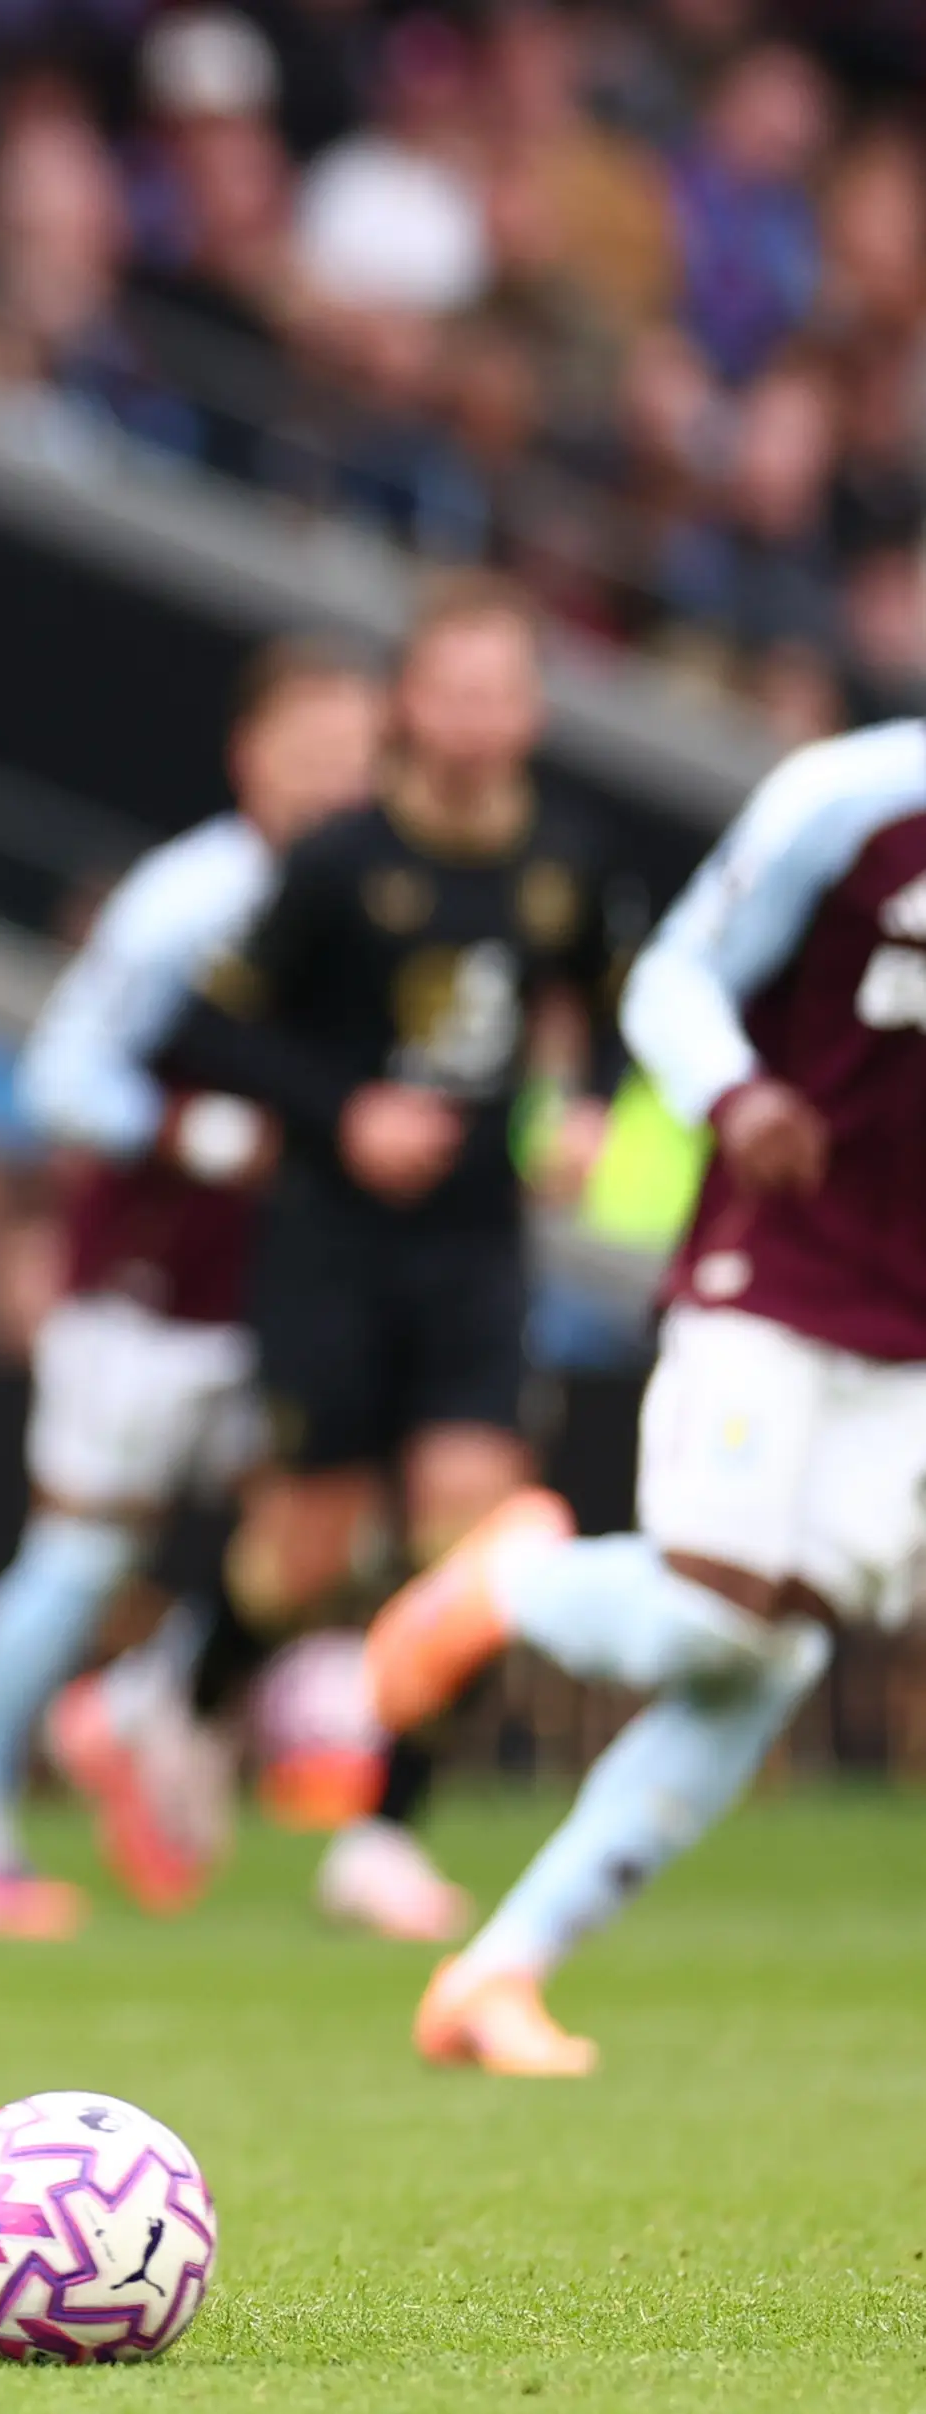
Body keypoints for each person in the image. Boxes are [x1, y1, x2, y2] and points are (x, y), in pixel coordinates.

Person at [353, 716, 926, 2074]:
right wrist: (733, 1092)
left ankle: (494, 1975)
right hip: (773, 1261)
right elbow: (670, 974)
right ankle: (503, 1584)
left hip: (913, 1321)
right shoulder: (852, 799)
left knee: (764, 1654)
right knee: (712, 1613)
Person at [71, 575, 624, 1942]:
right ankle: (184, 1705)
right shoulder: (332, 866)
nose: (481, 719)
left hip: (478, 1247)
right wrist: (345, 1113)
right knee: (303, 1546)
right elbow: (194, 1033)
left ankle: (382, 1832)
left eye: (505, 692)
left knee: (473, 1539)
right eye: (455, 690)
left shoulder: (562, 857)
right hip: (329, 1241)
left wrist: (585, 1105)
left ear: (535, 709)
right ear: (410, 705)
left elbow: (604, 1001)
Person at [0, 638, 380, 1939]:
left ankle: (142, 1706)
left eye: (360, 753)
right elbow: (60, 1072)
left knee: (333, 1527)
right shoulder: (190, 897)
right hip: (150, 1284)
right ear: (252, 759)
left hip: (289, 1283)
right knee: (81, 1552)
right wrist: (202, 1138)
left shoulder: (374, 889)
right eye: (315, 752)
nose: (342, 778)